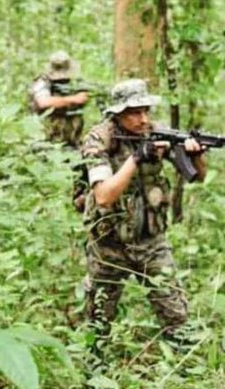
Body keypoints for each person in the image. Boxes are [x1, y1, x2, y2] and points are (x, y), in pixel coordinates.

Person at [80, 79, 207, 360]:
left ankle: (191, 372)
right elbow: (103, 196)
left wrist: (196, 155)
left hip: (151, 242)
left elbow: (197, 177)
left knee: (178, 317)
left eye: (146, 110)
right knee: (98, 323)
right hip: (108, 244)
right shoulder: (98, 139)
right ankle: (93, 374)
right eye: (134, 112)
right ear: (117, 113)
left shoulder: (157, 133)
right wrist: (137, 157)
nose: (143, 119)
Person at [30, 51, 89, 147]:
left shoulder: (74, 82)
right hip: (47, 136)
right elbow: (43, 102)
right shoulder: (42, 81)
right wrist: (72, 99)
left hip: (72, 135)